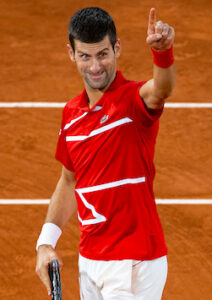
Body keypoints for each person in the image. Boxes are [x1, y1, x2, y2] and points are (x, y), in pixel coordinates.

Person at [36, 6, 175, 300]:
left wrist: (163, 53)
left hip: (134, 262)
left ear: (117, 48)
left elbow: (161, 89)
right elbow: (69, 181)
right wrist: (46, 242)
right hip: (91, 259)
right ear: (71, 54)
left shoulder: (133, 102)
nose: (95, 66)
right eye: (85, 56)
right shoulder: (71, 114)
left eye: (103, 54)